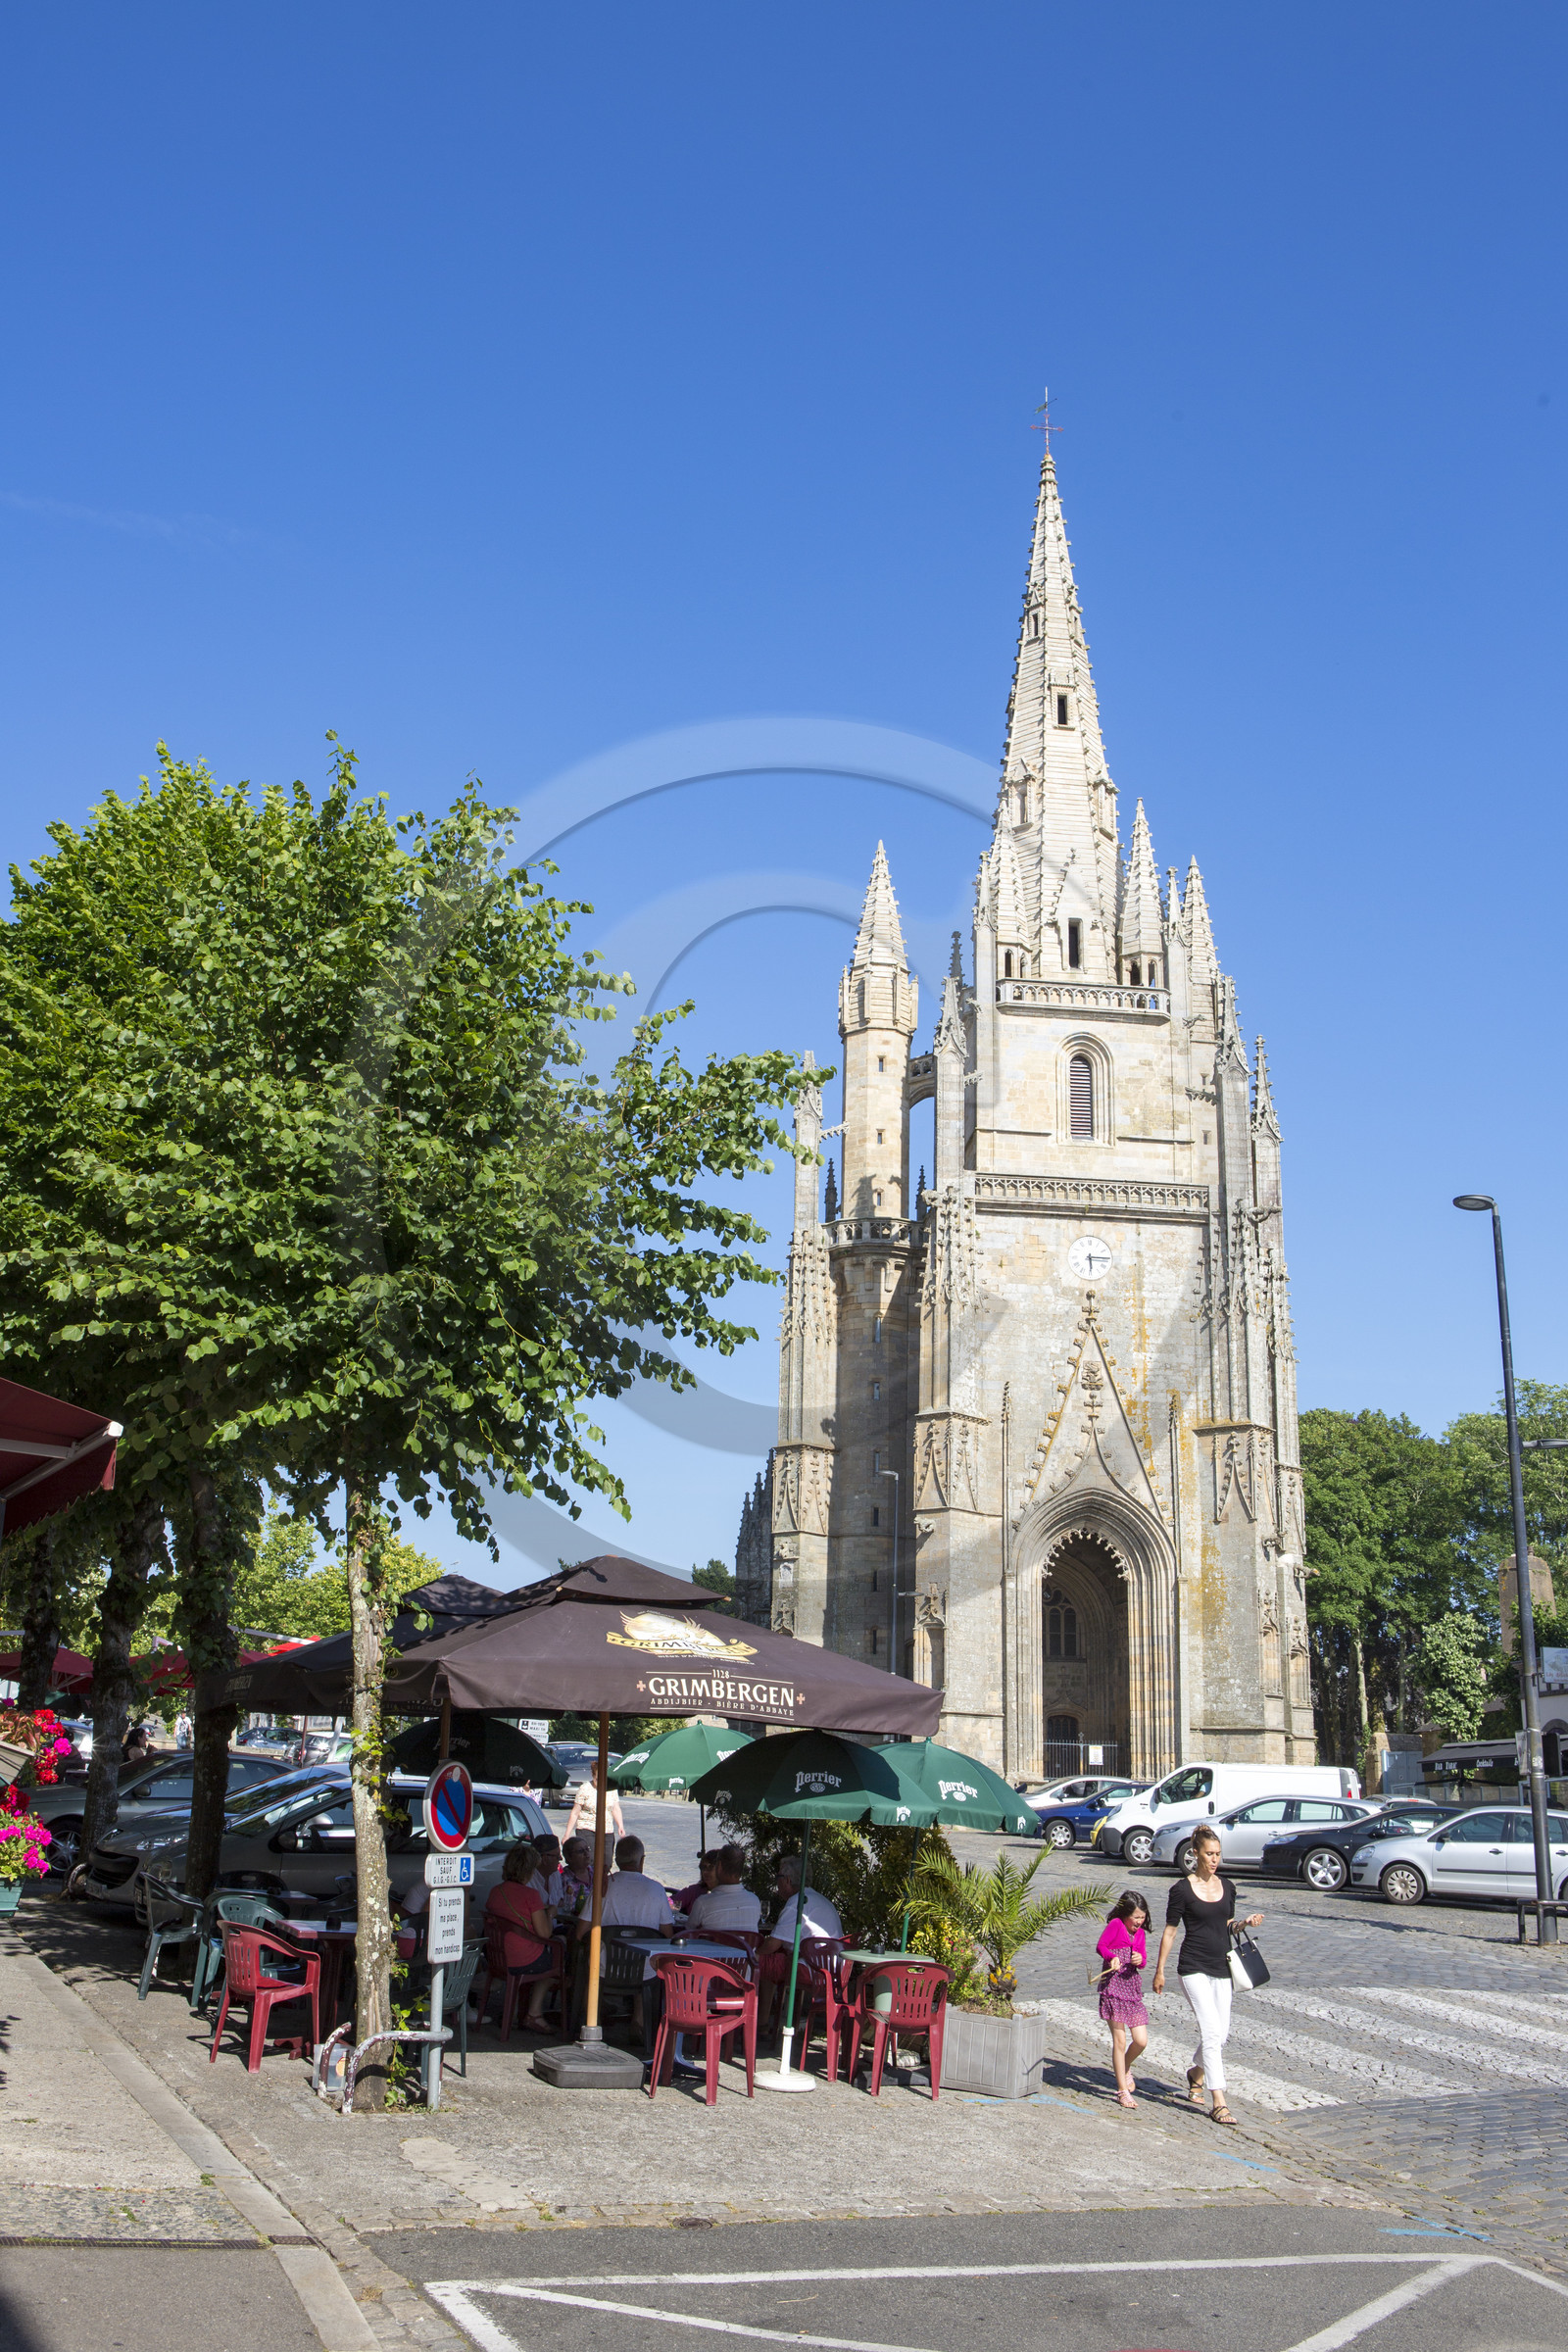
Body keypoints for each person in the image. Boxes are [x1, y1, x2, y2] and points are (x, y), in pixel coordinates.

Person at [1152, 1824, 1263, 2129]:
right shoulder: (1181, 1890)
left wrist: (1244, 1924)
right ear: (1195, 1854)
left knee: (1221, 2034)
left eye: (1217, 1854)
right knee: (1212, 2032)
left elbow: (1225, 1925)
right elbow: (1171, 1932)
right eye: (1209, 1854)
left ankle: (1195, 2074)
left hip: (1222, 1966)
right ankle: (1220, 2103)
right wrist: (1159, 1970)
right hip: (1192, 1966)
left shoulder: (1228, 1886)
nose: (1214, 1859)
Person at [582, 1835, 677, 2036]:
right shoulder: (656, 1889)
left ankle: (593, 2018)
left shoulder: (603, 1887)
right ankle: (639, 2020)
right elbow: (667, 1936)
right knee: (647, 1960)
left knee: (589, 1959)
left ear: (616, 1861)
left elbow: (580, 1931)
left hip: (603, 1967)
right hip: (644, 1970)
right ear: (642, 1861)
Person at [760, 1853, 844, 2038]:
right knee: (773, 1960)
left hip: (815, 1970)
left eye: (778, 1877)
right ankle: (765, 2022)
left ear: (788, 1880)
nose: (777, 1883)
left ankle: (760, 2024)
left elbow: (773, 1944)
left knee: (762, 1963)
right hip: (833, 1968)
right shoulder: (818, 1899)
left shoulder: (797, 1903)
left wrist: (753, 1954)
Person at [482, 1839, 561, 2032]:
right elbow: (545, 1933)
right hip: (522, 1958)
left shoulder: (496, 1891)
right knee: (559, 1958)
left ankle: (518, 2008)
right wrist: (549, 1914)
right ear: (530, 1870)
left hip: (498, 1957)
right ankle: (534, 2013)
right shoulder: (531, 1895)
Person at [1095, 1888, 1152, 2108]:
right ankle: (1122, 2090)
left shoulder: (1141, 1934)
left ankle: (1125, 2066)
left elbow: (1144, 1960)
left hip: (1132, 1989)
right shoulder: (1116, 1925)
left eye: (1142, 1917)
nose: (1139, 1922)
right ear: (1125, 1914)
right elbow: (1101, 1946)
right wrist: (1112, 1957)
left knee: (1141, 2040)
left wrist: (1140, 1960)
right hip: (1113, 1988)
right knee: (1119, 2040)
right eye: (1136, 1917)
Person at [688, 1843, 762, 1936]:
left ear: (719, 1867)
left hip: (714, 1949)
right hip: (745, 1949)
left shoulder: (703, 1903)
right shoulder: (754, 1901)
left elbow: (689, 1931)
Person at [672, 1849, 721, 1916]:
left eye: (710, 1867)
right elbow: (669, 1903)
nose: (705, 1872)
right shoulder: (694, 1891)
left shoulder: (727, 1893)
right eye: (703, 1867)